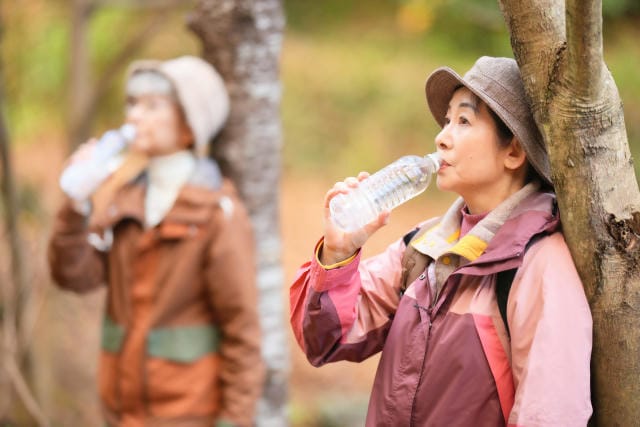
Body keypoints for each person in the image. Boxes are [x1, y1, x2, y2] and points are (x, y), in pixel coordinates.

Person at [290, 56, 592, 426]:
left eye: (463, 121)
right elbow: (324, 341)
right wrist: (338, 253)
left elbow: (550, 415)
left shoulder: (540, 265)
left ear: (513, 151)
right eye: (447, 120)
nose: (441, 137)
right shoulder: (423, 248)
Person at [48, 55, 264, 427]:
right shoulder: (124, 200)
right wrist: (76, 203)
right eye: (132, 104)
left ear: (188, 123)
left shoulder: (217, 214)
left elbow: (242, 334)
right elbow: (73, 276)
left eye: (152, 106)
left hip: (188, 414)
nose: (134, 117)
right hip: (119, 410)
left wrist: (233, 422)